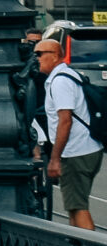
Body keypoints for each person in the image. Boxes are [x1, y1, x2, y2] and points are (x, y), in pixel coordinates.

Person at [37, 33, 101, 229]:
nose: (36, 58)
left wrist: (55, 158)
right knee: (74, 207)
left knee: (78, 207)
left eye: (40, 53)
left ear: (55, 55)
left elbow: (65, 121)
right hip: (86, 148)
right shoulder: (68, 75)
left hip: (76, 152)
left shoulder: (60, 82)